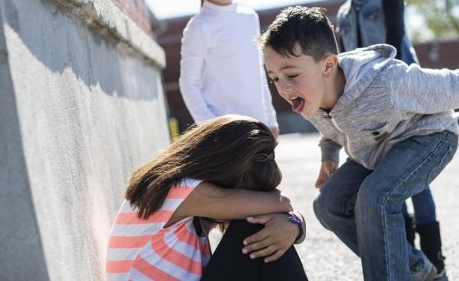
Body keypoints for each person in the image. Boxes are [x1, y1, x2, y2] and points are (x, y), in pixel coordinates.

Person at [259, 6, 459, 281]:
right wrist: (328, 155)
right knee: (329, 204)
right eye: (274, 79)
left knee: (375, 197)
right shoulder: (311, 97)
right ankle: (412, 265)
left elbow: (450, 84)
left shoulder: (386, 82)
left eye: (291, 74)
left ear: (328, 66)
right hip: (376, 151)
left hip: (429, 138)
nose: (283, 87)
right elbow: (330, 130)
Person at [335, 0, 444, 277]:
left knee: (416, 180)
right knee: (387, 176)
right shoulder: (341, 14)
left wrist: (387, 83)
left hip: (404, 96)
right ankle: (409, 259)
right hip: (369, 108)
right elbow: (344, 63)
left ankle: (435, 261)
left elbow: (395, 41)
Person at [105, 115, 309, 280]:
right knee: (255, 225)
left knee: (266, 227)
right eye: (245, 193)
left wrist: (293, 223)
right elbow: (282, 204)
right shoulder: (180, 189)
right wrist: (293, 221)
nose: (244, 200)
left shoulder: (185, 197)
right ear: (223, 171)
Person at [179, 0, 279, 136]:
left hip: (259, 125)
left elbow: (258, 73)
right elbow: (188, 83)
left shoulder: (250, 17)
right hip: (225, 132)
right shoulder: (200, 26)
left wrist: (270, 118)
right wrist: (210, 127)